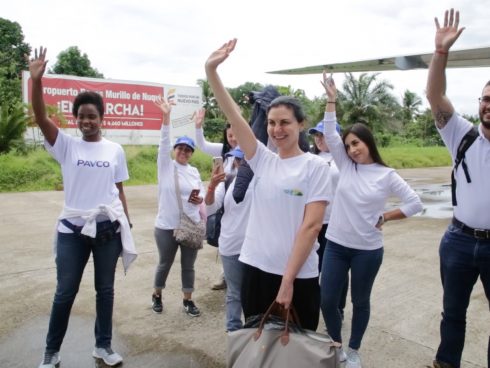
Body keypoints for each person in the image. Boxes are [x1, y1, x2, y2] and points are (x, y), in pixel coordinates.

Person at [205, 39, 330, 330]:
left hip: (297, 276)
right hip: (255, 268)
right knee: (258, 346)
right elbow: (234, 117)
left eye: (285, 122)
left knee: (296, 351)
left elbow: (311, 228)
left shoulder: (316, 167)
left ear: (301, 124)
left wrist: (287, 281)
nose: (277, 129)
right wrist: (211, 71)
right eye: (272, 123)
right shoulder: (263, 160)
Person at [29, 47, 137, 368]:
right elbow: (40, 116)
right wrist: (37, 81)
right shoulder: (66, 145)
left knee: (105, 291)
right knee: (65, 293)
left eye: (92, 115)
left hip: (107, 229)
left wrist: (126, 224)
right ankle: (51, 352)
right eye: (82, 116)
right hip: (72, 231)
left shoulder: (115, 150)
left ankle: (102, 346)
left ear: (101, 118)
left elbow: (118, 189)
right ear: (75, 119)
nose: (87, 120)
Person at [320, 72, 423, 367]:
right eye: (349, 145)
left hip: (367, 250)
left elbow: (415, 203)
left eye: (357, 143)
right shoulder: (345, 165)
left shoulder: (386, 174)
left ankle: (353, 350)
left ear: (368, 142)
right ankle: (337, 345)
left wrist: (386, 216)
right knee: (327, 300)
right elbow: (329, 134)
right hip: (337, 245)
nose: (352, 149)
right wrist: (331, 101)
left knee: (360, 302)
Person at [426, 9, 490, 368]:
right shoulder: (460, 135)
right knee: (452, 313)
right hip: (460, 240)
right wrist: (440, 53)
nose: (488, 105)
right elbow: (434, 95)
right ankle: (446, 363)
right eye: (485, 98)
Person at [152, 97, 204, 318]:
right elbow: (164, 142)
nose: (184, 151)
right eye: (180, 148)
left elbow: (199, 193)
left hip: (190, 223)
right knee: (165, 263)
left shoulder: (193, 171)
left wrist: (199, 199)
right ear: (174, 150)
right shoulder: (165, 166)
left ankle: (188, 300)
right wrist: (166, 117)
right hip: (166, 226)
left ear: (192, 153)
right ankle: (157, 294)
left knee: (188, 266)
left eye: (188, 149)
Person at [205, 147, 252, 331]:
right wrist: (211, 186)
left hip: (254, 247)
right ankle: (233, 332)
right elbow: (210, 206)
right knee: (234, 292)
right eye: (237, 161)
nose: (240, 164)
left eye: (244, 161)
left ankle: (252, 331)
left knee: (252, 293)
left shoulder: (261, 181)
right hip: (230, 244)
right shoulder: (228, 181)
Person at [308, 121, 348, 321]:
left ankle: (338, 308)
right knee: (313, 265)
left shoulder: (344, 160)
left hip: (336, 222)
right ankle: (313, 304)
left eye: (323, 135)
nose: (318, 138)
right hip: (314, 222)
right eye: (316, 135)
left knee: (337, 269)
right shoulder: (311, 157)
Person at [194, 109, 238, 290]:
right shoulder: (224, 151)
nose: (233, 139)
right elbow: (202, 145)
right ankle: (226, 275)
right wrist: (198, 126)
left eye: (237, 135)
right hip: (226, 206)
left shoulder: (253, 152)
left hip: (246, 206)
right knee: (226, 241)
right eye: (230, 135)